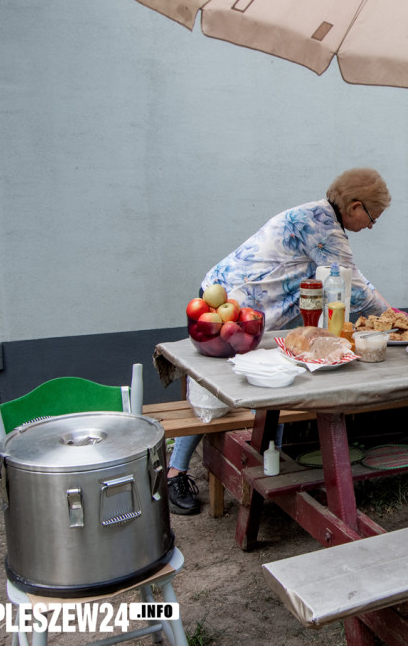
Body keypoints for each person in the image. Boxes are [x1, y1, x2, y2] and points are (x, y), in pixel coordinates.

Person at [167, 167, 393, 514]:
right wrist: (396, 317)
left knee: (276, 386)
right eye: (373, 219)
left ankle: (270, 475)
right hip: (232, 306)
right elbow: (355, 288)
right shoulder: (323, 228)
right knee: (215, 389)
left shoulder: (313, 213)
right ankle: (177, 472)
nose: (371, 226)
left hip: (243, 303)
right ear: (355, 206)